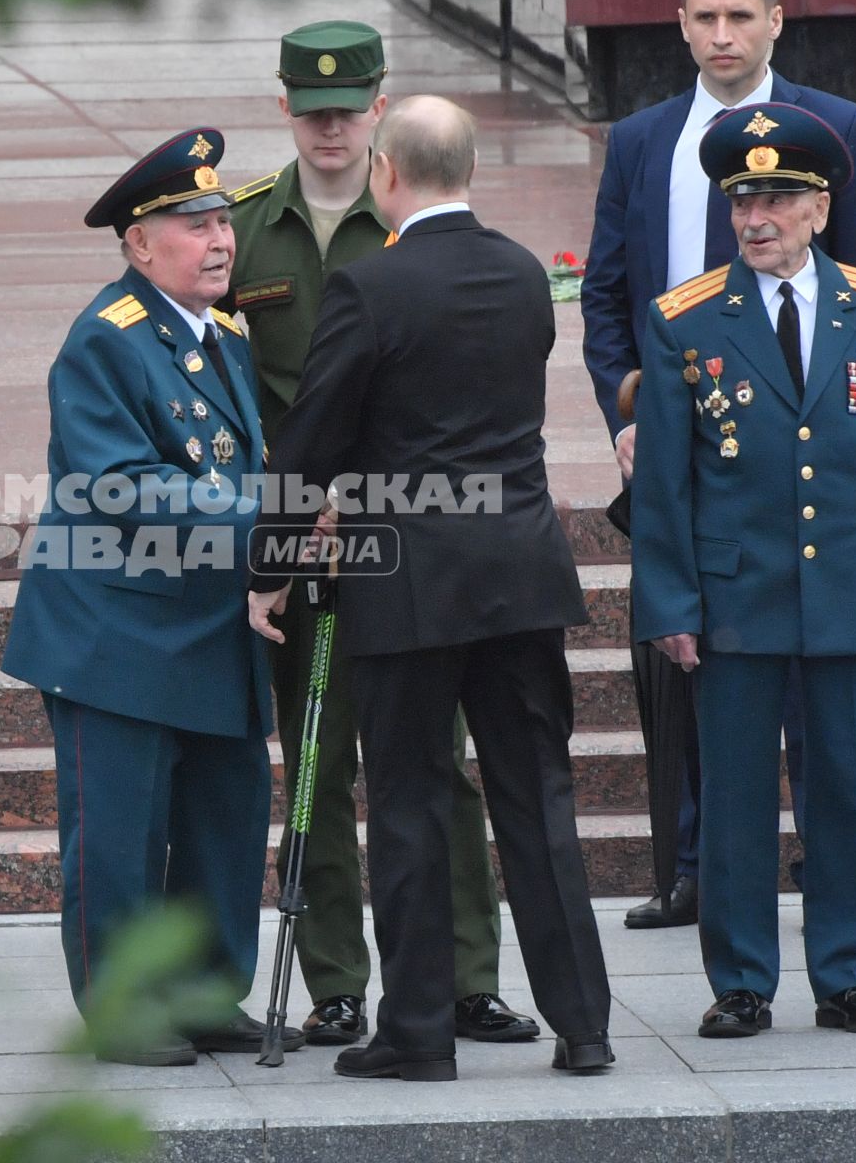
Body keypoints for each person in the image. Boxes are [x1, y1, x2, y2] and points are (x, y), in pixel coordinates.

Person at [250, 96, 613, 1081]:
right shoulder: (526, 275)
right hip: (525, 577)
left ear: (388, 174)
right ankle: (584, 1023)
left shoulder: (371, 289)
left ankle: (415, 1031)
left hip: (409, 586)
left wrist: (268, 567)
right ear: (472, 173)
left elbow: (311, 440)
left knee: (408, 800)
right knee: (537, 798)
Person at [227, 20, 535, 1046]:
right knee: (319, 761)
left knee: (437, 763)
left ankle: (461, 977)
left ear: (377, 111)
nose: (327, 128)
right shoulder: (245, 229)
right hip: (299, 536)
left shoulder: (412, 221)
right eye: (309, 111)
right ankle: (337, 981)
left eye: (346, 110)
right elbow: (235, 396)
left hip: (405, 539)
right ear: (283, 108)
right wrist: (283, 514)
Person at [581, 0, 856, 928]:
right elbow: (607, 290)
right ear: (680, 23)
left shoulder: (835, 130)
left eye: (739, 18)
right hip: (672, 442)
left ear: (775, 21)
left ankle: (815, 872)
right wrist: (632, 408)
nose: (722, 35)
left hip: (802, 454)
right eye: (705, 18)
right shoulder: (641, 139)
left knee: (808, 698)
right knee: (685, 661)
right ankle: (694, 866)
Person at [0, 128, 294, 1067]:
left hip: (208, 625)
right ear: (138, 244)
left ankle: (205, 992)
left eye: (222, 221)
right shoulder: (105, 340)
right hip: (116, 635)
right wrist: (270, 512)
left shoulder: (224, 331)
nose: (218, 240)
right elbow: (118, 486)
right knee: (121, 841)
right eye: (194, 223)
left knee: (223, 820)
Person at [632, 101, 856, 1039]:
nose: (756, 218)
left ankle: (846, 976)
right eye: (743, 200)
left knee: (845, 792)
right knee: (738, 802)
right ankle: (743, 981)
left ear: (820, 210)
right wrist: (670, 602)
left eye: (778, 200)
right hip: (735, 597)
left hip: (850, 590)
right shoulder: (685, 322)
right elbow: (667, 487)